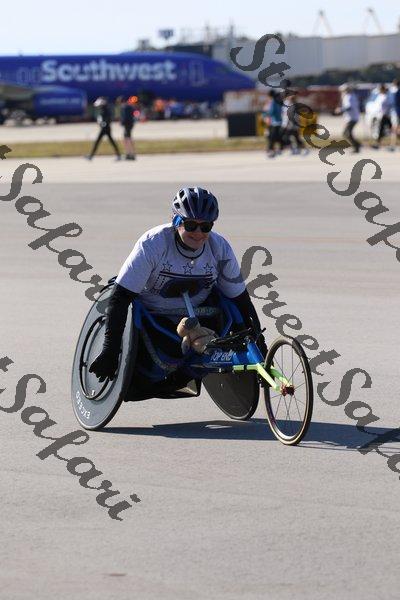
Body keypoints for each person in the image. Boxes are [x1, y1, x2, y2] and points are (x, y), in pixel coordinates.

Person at [89, 187, 267, 384]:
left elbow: (240, 300)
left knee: (227, 308)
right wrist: (110, 350)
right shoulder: (152, 244)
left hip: (201, 315)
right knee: (169, 353)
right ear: (176, 221)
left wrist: (259, 346)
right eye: (190, 225)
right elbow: (120, 297)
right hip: (153, 317)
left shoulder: (220, 248)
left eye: (205, 226)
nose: (198, 233)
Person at [335, 85, 361, 153]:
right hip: (351, 117)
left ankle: (357, 145)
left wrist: (340, 110)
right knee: (347, 133)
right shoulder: (351, 96)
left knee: (347, 133)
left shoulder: (349, 97)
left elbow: (349, 107)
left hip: (352, 118)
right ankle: (357, 145)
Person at [263, 90, 283, 158]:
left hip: (274, 122)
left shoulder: (273, 102)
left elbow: (272, 112)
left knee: (271, 138)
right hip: (279, 122)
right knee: (276, 137)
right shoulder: (279, 101)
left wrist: (265, 114)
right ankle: (277, 149)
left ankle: (271, 151)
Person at [388, 80, 400, 151]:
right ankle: (392, 145)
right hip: (396, 113)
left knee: (394, 129)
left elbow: (394, 104)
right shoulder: (395, 92)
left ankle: (392, 145)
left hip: (396, 113)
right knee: (395, 129)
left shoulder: (394, 92)